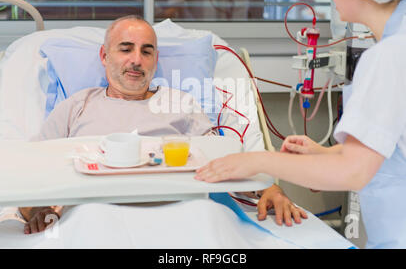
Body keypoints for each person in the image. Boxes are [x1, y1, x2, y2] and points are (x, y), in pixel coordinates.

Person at [196, 0, 406, 249]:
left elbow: (354, 172)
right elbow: (390, 148)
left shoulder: (389, 57)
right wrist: (323, 154)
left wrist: (255, 161)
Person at [20, 15, 307, 234]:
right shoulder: (76, 106)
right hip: (94, 214)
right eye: (125, 49)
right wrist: (37, 208)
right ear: (104, 57)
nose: (136, 60)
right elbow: (32, 172)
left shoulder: (180, 104)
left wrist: (267, 189)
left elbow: (221, 163)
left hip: (181, 213)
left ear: (155, 61)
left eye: (146, 51)